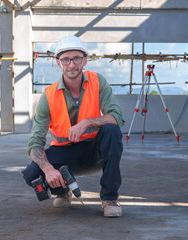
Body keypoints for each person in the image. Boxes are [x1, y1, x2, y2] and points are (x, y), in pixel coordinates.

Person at [22, 35, 124, 217]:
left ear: (85, 60)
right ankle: (62, 191)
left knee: (111, 129)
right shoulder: (49, 96)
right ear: (58, 62)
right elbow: (35, 142)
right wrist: (49, 170)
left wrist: (88, 122)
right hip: (65, 155)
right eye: (65, 59)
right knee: (31, 173)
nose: (71, 65)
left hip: (95, 152)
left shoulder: (98, 81)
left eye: (76, 58)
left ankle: (109, 198)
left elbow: (117, 117)